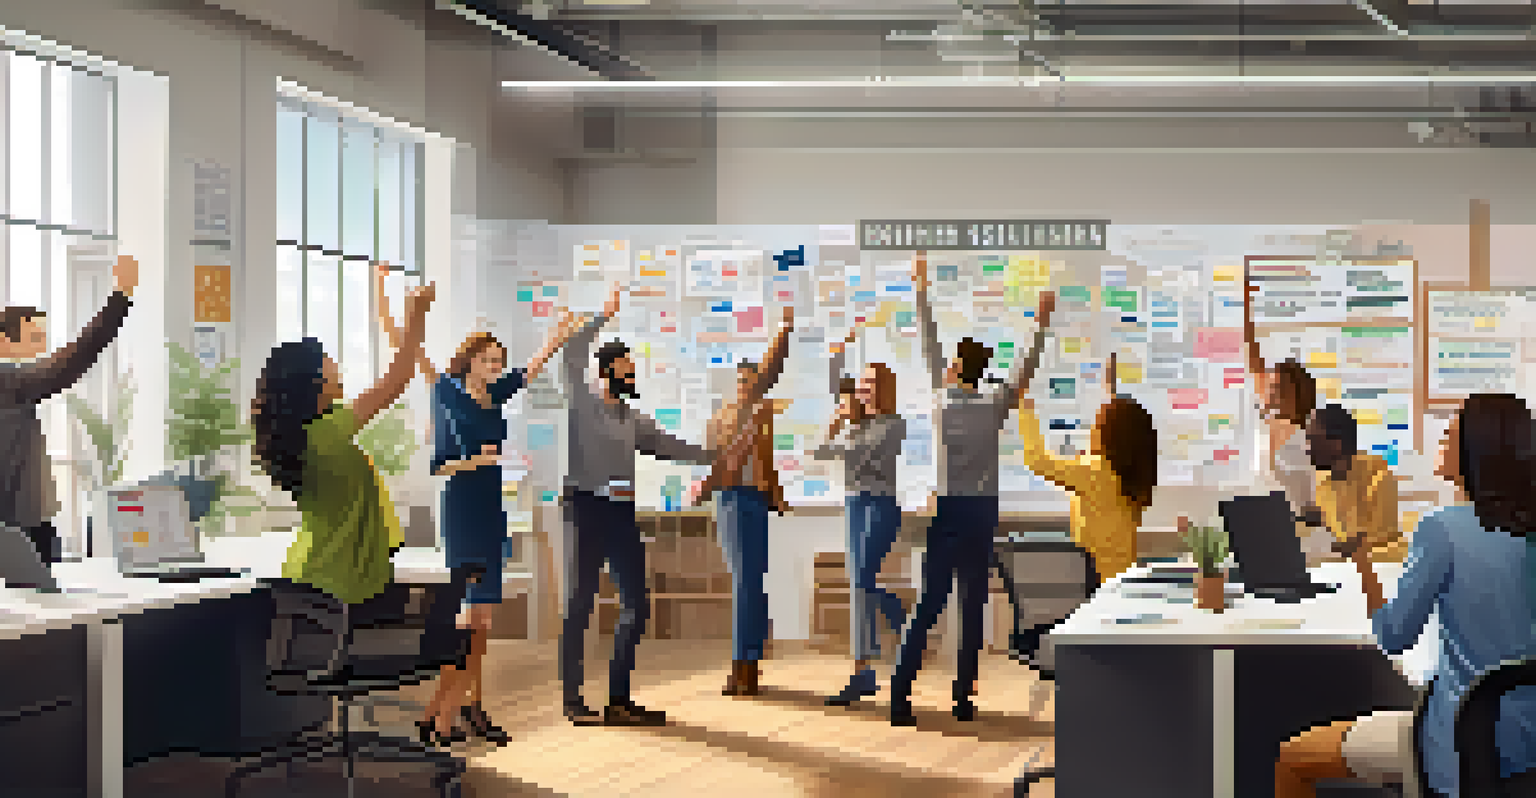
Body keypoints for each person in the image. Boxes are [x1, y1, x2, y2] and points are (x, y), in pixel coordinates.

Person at [1274, 393, 1536, 798]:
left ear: (1475, 452)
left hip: (1463, 748)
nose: (1442, 441)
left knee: (1294, 759)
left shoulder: (1442, 529)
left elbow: (1393, 636)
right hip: (1529, 751)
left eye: (1450, 435)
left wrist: (1364, 566)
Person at [377, 265, 587, 746]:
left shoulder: (496, 396)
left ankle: (464, 707)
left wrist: (556, 336)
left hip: (493, 511)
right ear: (470, 360)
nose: (495, 367)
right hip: (461, 508)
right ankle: (444, 713)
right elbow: (440, 467)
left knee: (484, 620)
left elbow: (531, 369)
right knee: (466, 620)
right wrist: (388, 302)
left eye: (498, 361)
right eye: (489, 360)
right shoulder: (446, 391)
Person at [888, 253, 1054, 726]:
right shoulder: (995, 403)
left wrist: (921, 291)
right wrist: (1039, 326)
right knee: (972, 609)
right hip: (982, 512)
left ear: (957, 368)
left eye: (951, 361)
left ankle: (901, 697)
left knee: (927, 606)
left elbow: (928, 342)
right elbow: (1024, 370)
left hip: (949, 511)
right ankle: (962, 700)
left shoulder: (942, 399)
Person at [250, 283, 436, 687]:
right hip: (343, 580)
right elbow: (399, 379)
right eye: (330, 361)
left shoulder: (300, 437)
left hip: (306, 574)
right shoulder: (329, 431)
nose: (338, 365)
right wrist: (417, 313)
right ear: (316, 378)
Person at [556, 283, 718, 727]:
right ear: (607, 370)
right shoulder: (583, 402)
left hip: (621, 514)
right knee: (580, 603)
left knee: (637, 604)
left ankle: (618, 698)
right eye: (626, 367)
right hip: (585, 509)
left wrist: (715, 456)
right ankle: (572, 700)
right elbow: (572, 353)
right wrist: (602, 316)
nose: (632, 373)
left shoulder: (633, 419)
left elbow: (668, 445)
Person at [0, 254, 138, 565]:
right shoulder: (9, 380)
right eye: (34, 339)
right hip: (18, 528)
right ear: (3, 340)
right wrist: (120, 298)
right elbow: (74, 359)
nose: (42, 349)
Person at [686, 306, 795, 698]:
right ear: (735, 385)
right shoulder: (721, 418)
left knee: (754, 582)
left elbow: (773, 368)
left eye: (753, 381)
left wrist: (785, 329)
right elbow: (711, 462)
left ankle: (750, 665)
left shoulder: (761, 412)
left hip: (757, 502)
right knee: (744, 584)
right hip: (730, 501)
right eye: (742, 381)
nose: (747, 386)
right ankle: (742, 666)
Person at [813, 335, 909, 707]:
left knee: (863, 582)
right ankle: (862, 673)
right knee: (858, 588)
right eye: (860, 385)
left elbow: (856, 455)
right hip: (854, 503)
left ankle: (894, 608)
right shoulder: (854, 423)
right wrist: (837, 352)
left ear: (882, 389)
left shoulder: (893, 424)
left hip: (880, 505)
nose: (862, 390)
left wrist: (839, 428)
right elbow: (826, 451)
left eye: (869, 385)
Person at [1017, 366, 1158, 589]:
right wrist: (1110, 393)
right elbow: (1126, 428)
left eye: (1097, 425)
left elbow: (1037, 460)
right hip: (1124, 576)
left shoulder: (1094, 471)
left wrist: (1024, 405)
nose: (1092, 429)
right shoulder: (1133, 472)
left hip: (1097, 581)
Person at [1304, 404, 1407, 563]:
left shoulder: (1379, 478)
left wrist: (1328, 544)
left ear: (1336, 445)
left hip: (1382, 571)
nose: (1308, 450)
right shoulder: (1324, 486)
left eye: (1313, 441)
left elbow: (1369, 543)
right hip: (1342, 571)